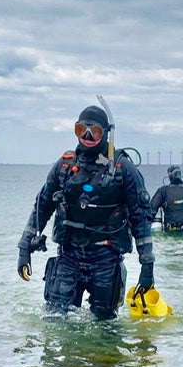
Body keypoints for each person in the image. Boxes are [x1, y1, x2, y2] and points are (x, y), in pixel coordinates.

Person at [16, 104, 155, 319]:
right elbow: (42, 206)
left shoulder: (122, 169)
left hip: (106, 258)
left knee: (105, 324)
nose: (88, 136)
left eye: (95, 131)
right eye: (82, 130)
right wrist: (25, 247)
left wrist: (147, 266)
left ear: (106, 133)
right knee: (55, 319)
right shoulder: (64, 166)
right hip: (68, 255)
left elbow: (140, 217)